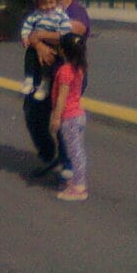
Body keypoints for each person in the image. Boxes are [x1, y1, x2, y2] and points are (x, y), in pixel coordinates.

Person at [24, 0, 92, 176]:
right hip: (43, 72)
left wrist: (41, 34)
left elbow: (75, 30)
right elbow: (29, 34)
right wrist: (39, 44)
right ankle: (49, 154)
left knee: (63, 116)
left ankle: (67, 165)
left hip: (66, 74)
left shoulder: (75, 10)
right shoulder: (43, 6)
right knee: (33, 112)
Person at [50, 33, 89, 201]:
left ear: (62, 50)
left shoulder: (65, 71)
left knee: (75, 152)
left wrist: (56, 118)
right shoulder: (79, 67)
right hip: (78, 115)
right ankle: (77, 182)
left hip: (69, 118)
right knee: (76, 151)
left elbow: (62, 97)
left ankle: (80, 187)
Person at [19, 0, 71, 100]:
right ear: (38, 4)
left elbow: (66, 29)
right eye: (44, 4)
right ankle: (29, 78)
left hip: (53, 44)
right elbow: (27, 25)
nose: (48, 7)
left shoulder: (60, 15)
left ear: (56, 2)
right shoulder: (36, 15)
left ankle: (45, 83)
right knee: (30, 55)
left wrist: (60, 34)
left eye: (51, 2)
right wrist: (25, 37)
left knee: (48, 61)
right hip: (37, 41)